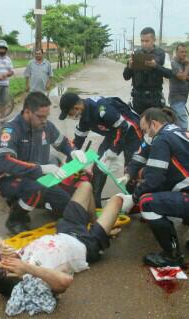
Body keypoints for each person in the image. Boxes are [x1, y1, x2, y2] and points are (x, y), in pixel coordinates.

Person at [0, 182, 133, 315]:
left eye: (3, 265)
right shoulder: (37, 281)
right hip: (87, 244)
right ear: (19, 277)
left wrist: (0, 244)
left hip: (65, 230)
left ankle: (95, 223)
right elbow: (65, 281)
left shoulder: (14, 259)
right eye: (8, 268)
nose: (7, 262)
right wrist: (28, 268)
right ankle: (104, 228)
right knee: (118, 199)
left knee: (86, 186)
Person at [0, 92, 88, 234]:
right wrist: (40, 168)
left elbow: (62, 142)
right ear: (27, 112)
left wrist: (72, 151)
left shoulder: (46, 126)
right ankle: (15, 219)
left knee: (67, 207)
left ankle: (30, 201)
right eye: (40, 116)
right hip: (8, 177)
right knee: (36, 187)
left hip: (36, 176)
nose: (44, 121)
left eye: (46, 116)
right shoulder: (11, 130)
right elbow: (5, 162)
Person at [58, 92, 142, 207]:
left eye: (69, 113)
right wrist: (68, 162)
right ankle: (95, 204)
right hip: (113, 134)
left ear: (76, 108)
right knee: (99, 168)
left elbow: (123, 127)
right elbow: (78, 141)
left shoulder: (102, 109)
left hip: (132, 133)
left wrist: (113, 149)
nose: (71, 116)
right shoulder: (84, 118)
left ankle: (134, 202)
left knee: (131, 170)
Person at [130, 107, 189, 267]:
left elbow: (154, 180)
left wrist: (134, 197)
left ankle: (172, 256)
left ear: (154, 124)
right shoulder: (179, 131)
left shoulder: (161, 139)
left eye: (145, 130)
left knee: (147, 202)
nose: (145, 135)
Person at [123, 27, 173, 114]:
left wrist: (156, 66)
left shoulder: (163, 55)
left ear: (154, 40)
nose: (144, 44)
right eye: (142, 41)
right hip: (138, 99)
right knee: (138, 124)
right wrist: (130, 67)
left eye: (147, 41)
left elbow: (169, 74)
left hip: (155, 99)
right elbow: (126, 76)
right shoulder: (135, 55)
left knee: (155, 125)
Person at [168, 43, 189, 129]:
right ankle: (185, 141)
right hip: (176, 98)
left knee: (178, 123)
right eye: (181, 52)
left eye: (185, 52)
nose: (184, 54)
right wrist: (188, 65)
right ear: (176, 52)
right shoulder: (173, 64)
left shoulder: (184, 63)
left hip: (183, 98)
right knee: (183, 122)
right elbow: (183, 77)